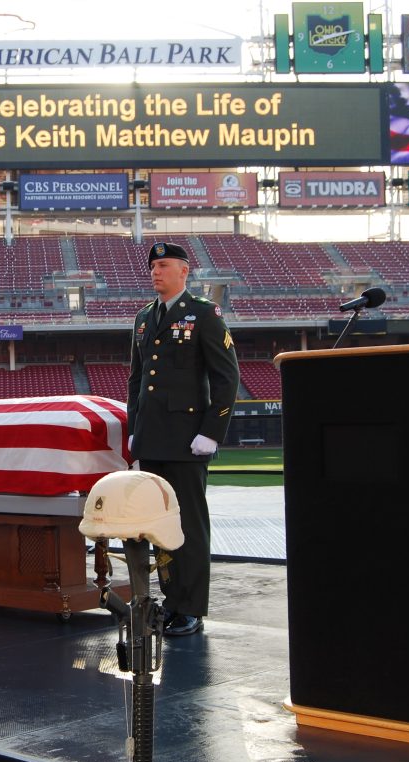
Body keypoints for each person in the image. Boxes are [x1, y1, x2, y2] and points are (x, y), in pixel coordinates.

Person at [126, 241, 240, 636]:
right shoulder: (144, 318)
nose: (156, 271)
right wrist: (133, 434)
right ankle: (171, 602)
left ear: (183, 271)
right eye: (153, 265)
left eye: (164, 265)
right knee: (160, 530)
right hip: (152, 441)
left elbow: (227, 378)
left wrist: (211, 432)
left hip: (188, 441)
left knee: (189, 527)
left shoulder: (204, 315)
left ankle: (190, 608)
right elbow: (137, 382)